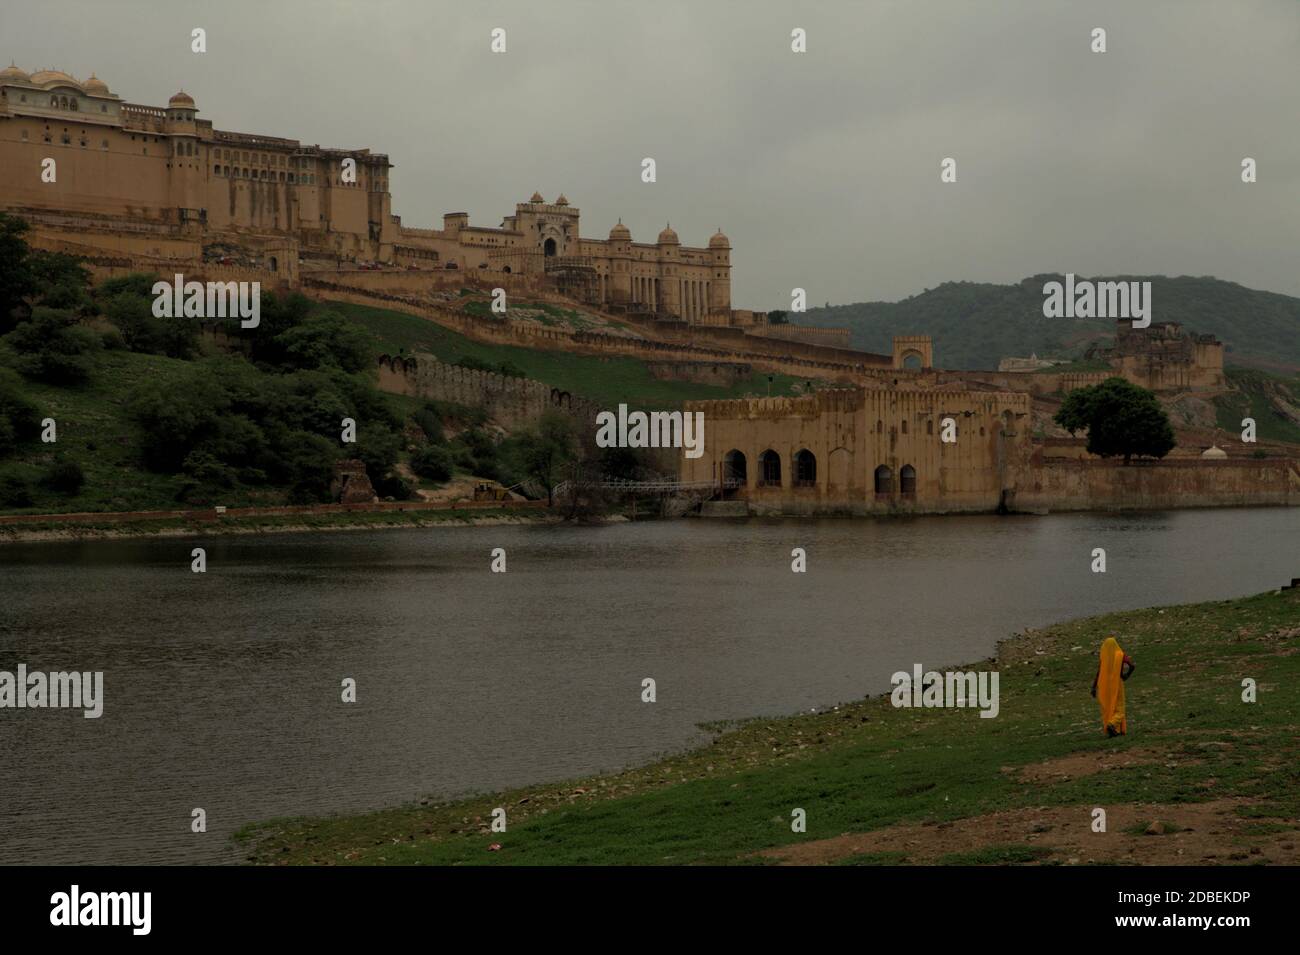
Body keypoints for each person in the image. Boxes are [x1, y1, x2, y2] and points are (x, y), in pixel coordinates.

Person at [1091, 636, 1135, 737]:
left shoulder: (1104, 657)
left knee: (1111, 706)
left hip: (1106, 686)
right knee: (1120, 708)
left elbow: (1099, 672)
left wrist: (1093, 687)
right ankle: (1112, 725)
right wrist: (1125, 675)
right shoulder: (1119, 654)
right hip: (1117, 684)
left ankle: (1116, 730)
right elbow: (1132, 666)